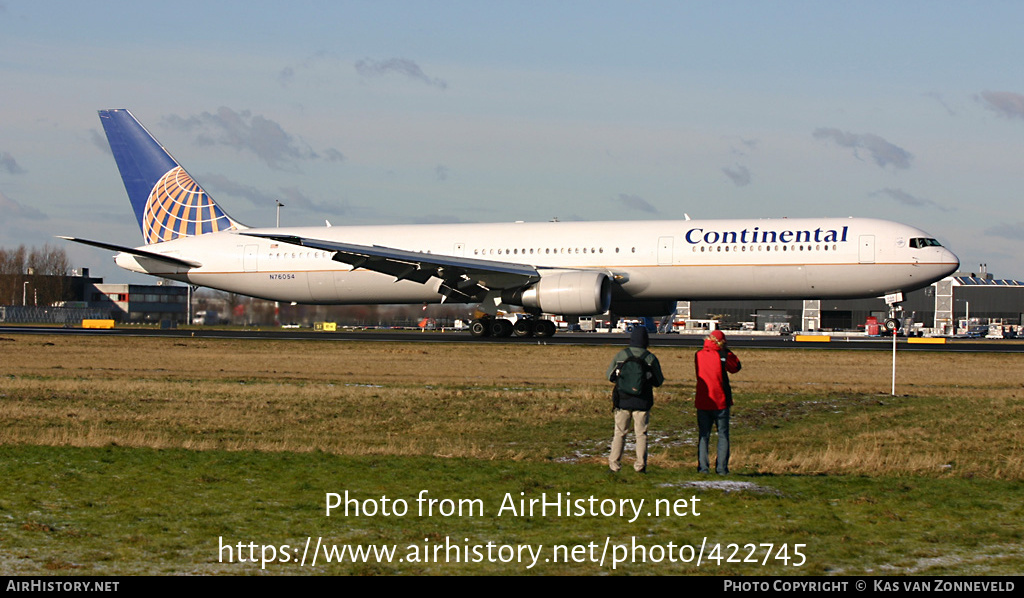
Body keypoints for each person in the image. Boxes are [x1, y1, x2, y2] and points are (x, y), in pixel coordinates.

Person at [606, 327, 664, 473]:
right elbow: (658, 381)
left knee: (619, 433)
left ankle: (614, 465)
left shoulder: (622, 355)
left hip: (623, 399)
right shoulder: (649, 358)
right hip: (642, 401)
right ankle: (640, 465)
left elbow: (609, 376)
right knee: (641, 434)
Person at [694, 330, 741, 474]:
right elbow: (736, 367)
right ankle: (721, 468)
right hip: (720, 400)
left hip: (703, 400)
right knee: (723, 435)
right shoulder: (724, 355)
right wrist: (726, 351)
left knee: (703, 435)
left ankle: (703, 467)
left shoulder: (698, 355)